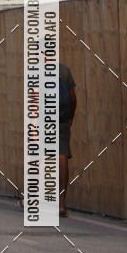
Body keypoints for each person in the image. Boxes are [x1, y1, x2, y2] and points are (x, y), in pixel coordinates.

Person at [58, 62, 76, 218]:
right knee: (62, 157)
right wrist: (70, 118)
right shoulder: (64, 70)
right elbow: (72, 97)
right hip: (62, 119)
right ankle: (61, 204)